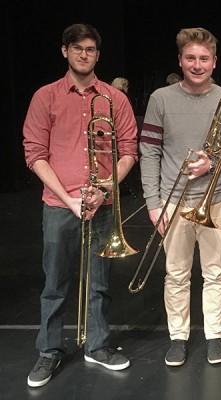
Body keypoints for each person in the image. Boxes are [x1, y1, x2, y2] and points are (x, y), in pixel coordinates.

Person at [22, 23, 138, 388]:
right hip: (60, 204)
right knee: (55, 283)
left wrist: (105, 191)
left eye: (90, 49)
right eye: (77, 48)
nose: (84, 54)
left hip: (101, 205)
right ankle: (50, 351)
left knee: (99, 283)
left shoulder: (113, 99)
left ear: (97, 55)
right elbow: (35, 154)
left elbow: (129, 151)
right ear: (65, 51)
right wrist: (69, 199)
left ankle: (97, 345)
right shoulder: (46, 96)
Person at [139, 27, 221, 367]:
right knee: (176, 273)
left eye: (204, 58)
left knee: (215, 271)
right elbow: (149, 152)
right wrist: (154, 203)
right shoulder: (160, 98)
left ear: (214, 62)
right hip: (173, 200)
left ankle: (214, 335)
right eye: (191, 58)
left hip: (218, 197)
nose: (197, 65)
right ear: (180, 60)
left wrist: (214, 162)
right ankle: (178, 336)